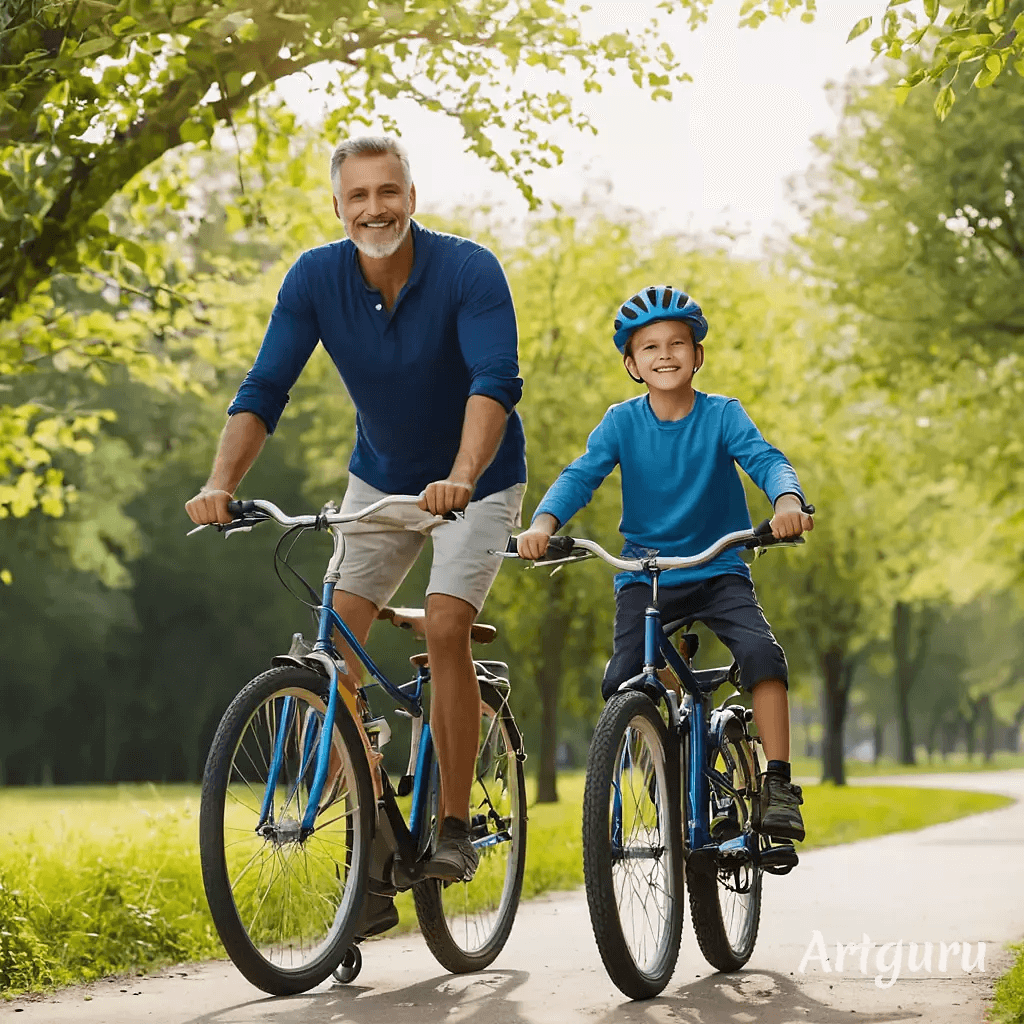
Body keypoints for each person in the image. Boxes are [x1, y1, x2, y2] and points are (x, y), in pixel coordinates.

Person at [185, 136, 527, 909]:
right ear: (338, 207)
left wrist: (461, 475)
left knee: (447, 624)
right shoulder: (315, 277)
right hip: (378, 479)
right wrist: (219, 485)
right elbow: (265, 386)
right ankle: (368, 856)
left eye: (388, 191)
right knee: (331, 648)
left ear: (412, 196)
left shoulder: (469, 270)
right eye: (359, 196)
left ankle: (452, 825)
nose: (376, 208)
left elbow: (494, 381)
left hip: (477, 480)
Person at [516, 285, 811, 842]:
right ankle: (670, 760)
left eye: (677, 343)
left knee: (761, 655)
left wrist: (786, 501)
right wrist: (543, 525)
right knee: (625, 679)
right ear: (632, 364)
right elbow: (581, 474)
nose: (665, 354)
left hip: (718, 569)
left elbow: (765, 459)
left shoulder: (723, 415)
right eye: (650, 347)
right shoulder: (621, 423)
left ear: (697, 355)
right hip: (646, 574)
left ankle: (778, 784)